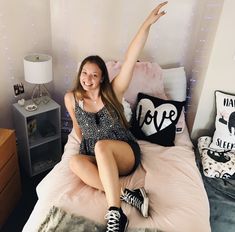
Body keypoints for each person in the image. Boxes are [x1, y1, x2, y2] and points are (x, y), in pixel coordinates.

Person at [64, 2, 167, 232]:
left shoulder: (113, 92)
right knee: (74, 162)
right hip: (97, 157)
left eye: (94, 74)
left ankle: (116, 214)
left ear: (102, 78)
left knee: (101, 146)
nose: (87, 78)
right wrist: (82, 149)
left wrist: (147, 24)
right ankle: (129, 195)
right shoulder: (71, 98)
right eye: (84, 73)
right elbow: (77, 129)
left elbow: (131, 58)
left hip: (123, 153)